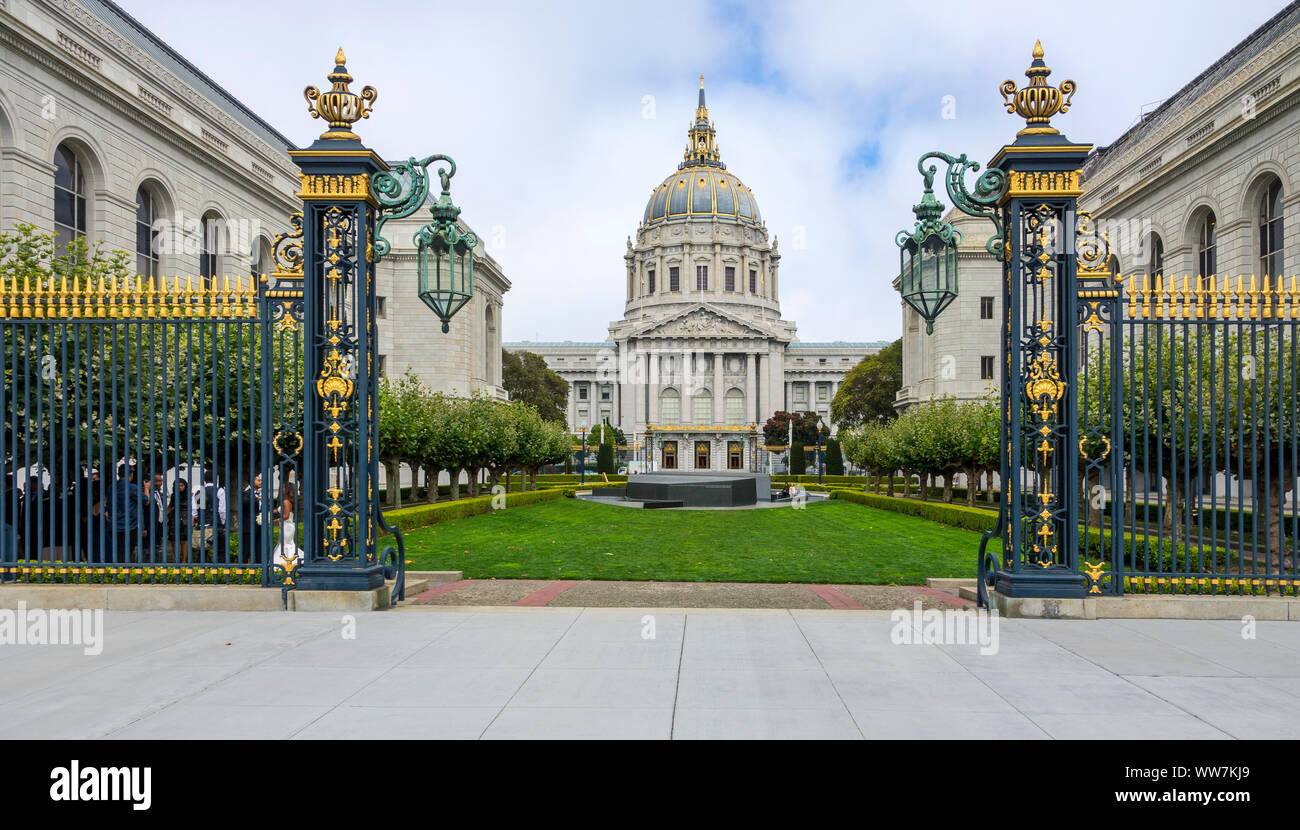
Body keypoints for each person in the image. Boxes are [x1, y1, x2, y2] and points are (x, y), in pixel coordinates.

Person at [108, 466, 146, 563]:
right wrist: (146, 488)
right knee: (127, 553)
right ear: (131, 475)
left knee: (116, 552)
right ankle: (124, 574)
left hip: (113, 525)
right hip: (129, 526)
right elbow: (145, 500)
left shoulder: (112, 487)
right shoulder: (132, 487)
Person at [192, 470, 227, 562]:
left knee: (202, 551)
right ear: (216, 479)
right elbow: (222, 510)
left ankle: (201, 571)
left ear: (204, 480)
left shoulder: (199, 492)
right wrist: (222, 522)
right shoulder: (220, 490)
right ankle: (221, 571)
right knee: (221, 550)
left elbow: (194, 511)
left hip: (202, 524)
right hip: (216, 525)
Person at [272, 482, 300, 573]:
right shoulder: (287, 501)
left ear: (287, 490)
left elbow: (286, 516)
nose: (282, 489)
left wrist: (275, 521)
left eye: (283, 487)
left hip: (287, 526)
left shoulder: (286, 501)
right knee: (284, 544)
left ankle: (288, 563)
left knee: (286, 545)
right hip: (286, 526)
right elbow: (278, 510)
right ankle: (288, 563)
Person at [238, 473, 266, 564]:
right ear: (252, 482)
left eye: (261, 480)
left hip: (260, 527)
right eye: (258, 480)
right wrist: (257, 499)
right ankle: (243, 571)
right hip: (249, 528)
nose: (260, 482)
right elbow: (244, 502)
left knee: (260, 551)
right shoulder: (246, 493)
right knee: (246, 551)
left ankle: (259, 570)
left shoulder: (262, 493)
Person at [167, 478, 191, 564]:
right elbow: (170, 507)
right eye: (178, 486)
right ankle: (176, 560)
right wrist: (166, 517)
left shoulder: (189, 495)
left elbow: (193, 508)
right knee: (173, 541)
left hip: (185, 519)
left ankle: (184, 560)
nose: (180, 487)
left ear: (185, 486)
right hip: (174, 519)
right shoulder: (174, 496)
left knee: (183, 541)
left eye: (182, 485)